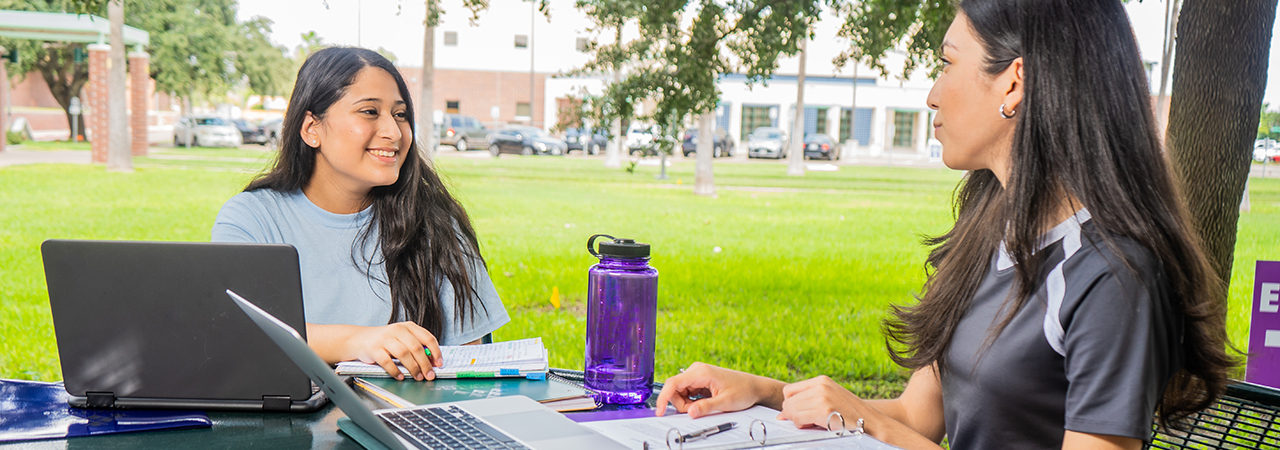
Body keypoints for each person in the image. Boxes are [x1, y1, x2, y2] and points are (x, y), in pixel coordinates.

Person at [655, 1, 1234, 449]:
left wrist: (873, 430)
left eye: (946, 64)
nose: (932, 95)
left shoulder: (1113, 277)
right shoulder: (992, 231)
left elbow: (897, 434)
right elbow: (917, 417)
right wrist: (764, 392)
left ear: (1014, 81)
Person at [212, 47, 508, 382]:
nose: (394, 132)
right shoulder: (252, 218)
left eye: (399, 115)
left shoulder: (436, 223)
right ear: (311, 128)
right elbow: (238, 331)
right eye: (369, 111)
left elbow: (474, 369)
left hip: (407, 425)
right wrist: (359, 340)